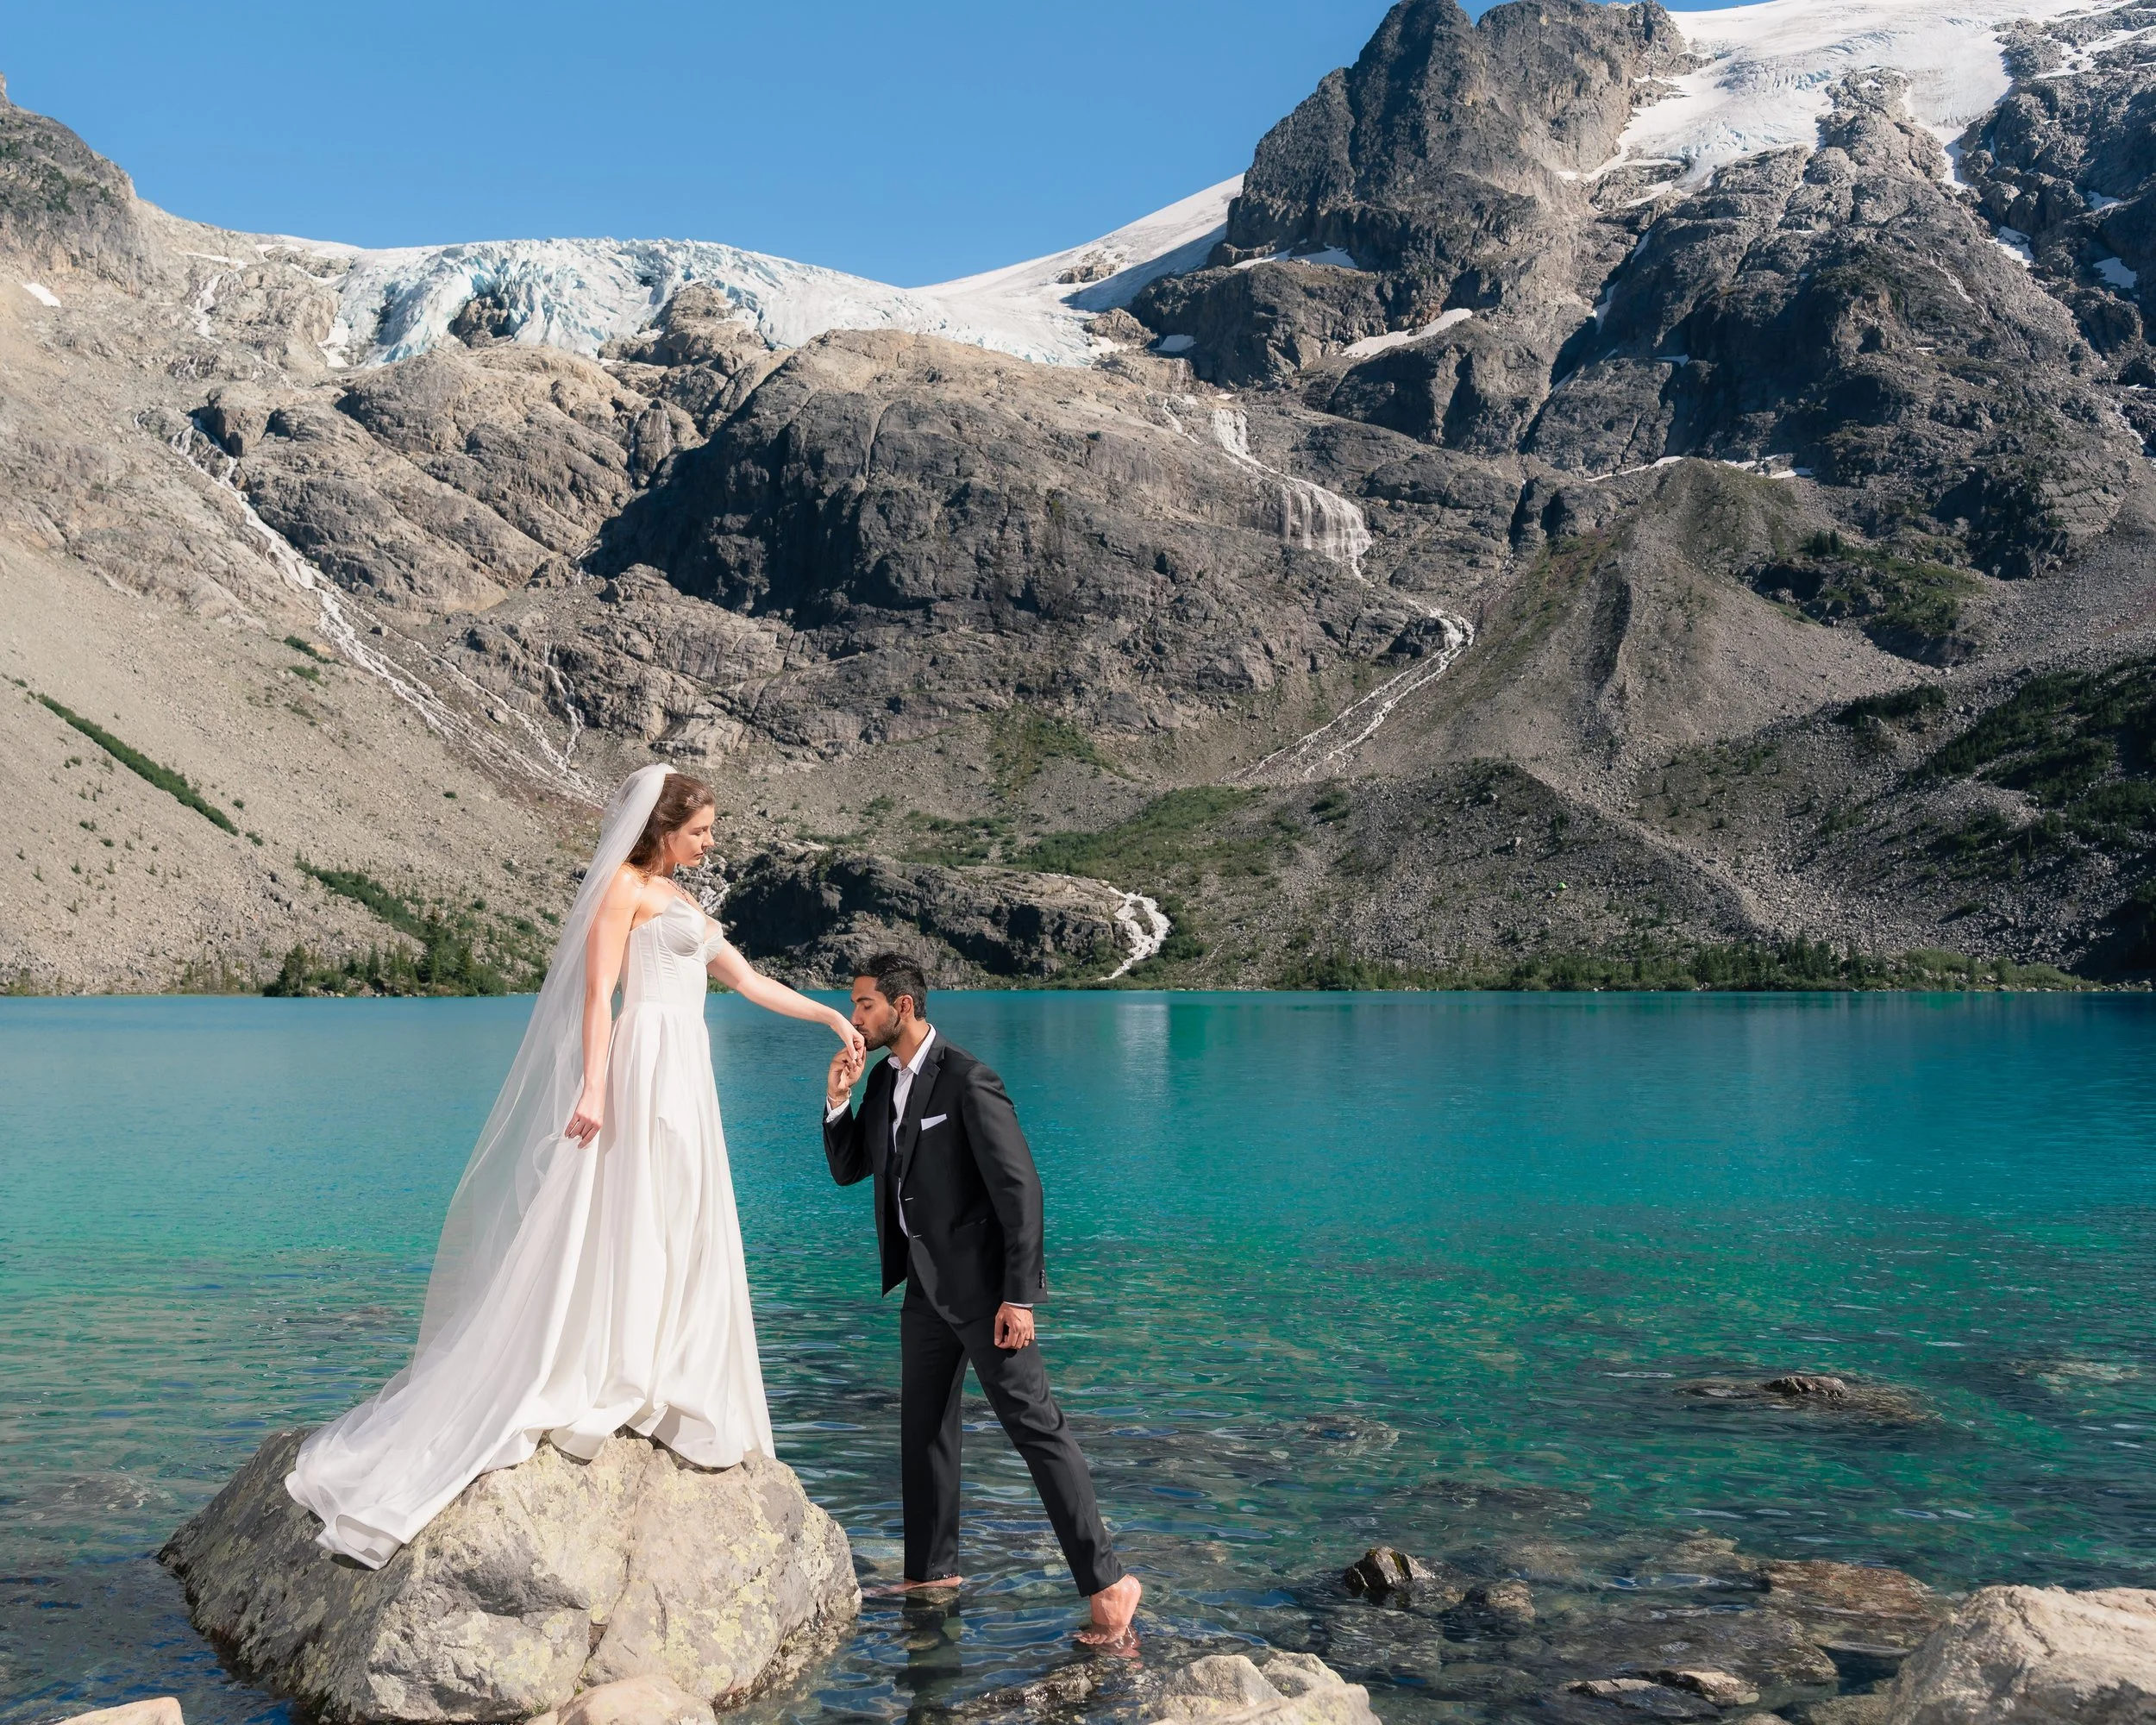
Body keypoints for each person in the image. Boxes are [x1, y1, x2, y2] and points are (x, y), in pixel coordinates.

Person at [285, 765, 864, 1567]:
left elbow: (750, 982)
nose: (710, 840)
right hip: (643, 1060)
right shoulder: (622, 888)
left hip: (688, 1070)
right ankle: (619, 1368)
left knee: (686, 1210)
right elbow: (599, 997)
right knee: (631, 1212)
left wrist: (832, 1015)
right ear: (662, 827)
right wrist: (594, 1085)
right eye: (700, 830)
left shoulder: (691, 904)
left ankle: (668, 1374)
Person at [822, 955, 1142, 1647]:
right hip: (923, 1292)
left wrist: (1019, 1299)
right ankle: (932, 1574)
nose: (855, 1018)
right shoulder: (882, 1083)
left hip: (988, 1297)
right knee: (926, 1435)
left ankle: (1110, 1584)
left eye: (865, 1006)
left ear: (903, 1007)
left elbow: (1021, 1192)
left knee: (1037, 1432)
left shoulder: (969, 1080)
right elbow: (852, 1169)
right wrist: (838, 1099)